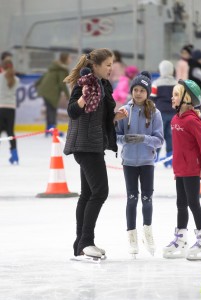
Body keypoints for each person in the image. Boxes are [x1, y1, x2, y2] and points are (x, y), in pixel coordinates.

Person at [63, 48, 128, 261]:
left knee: (87, 194)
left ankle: (80, 244)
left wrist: (116, 116)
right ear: (96, 65)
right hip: (85, 145)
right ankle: (86, 242)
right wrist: (82, 99)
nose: (111, 68)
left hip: (94, 144)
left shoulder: (103, 85)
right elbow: (72, 111)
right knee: (100, 192)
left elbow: (101, 117)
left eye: (112, 64)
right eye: (108, 64)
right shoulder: (85, 83)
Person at [163, 79, 201, 260]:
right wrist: (176, 168)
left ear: (187, 99)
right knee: (181, 205)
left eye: (176, 94)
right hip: (180, 169)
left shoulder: (192, 121)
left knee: (194, 204)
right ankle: (181, 239)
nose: (172, 97)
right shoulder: (176, 119)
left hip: (192, 169)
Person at [115, 71, 164, 258]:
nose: (137, 93)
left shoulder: (154, 113)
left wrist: (144, 139)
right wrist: (125, 139)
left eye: (141, 90)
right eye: (135, 89)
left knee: (147, 198)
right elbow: (115, 136)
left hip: (147, 162)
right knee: (132, 198)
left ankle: (148, 232)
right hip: (129, 162)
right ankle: (132, 236)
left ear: (147, 92)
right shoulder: (124, 111)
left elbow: (159, 140)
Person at [35, 52, 71, 136]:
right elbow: (62, 84)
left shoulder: (54, 67)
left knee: (49, 109)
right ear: (65, 59)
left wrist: (38, 85)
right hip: (51, 91)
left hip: (45, 90)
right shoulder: (62, 69)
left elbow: (43, 77)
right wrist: (68, 96)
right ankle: (52, 130)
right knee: (52, 110)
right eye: (69, 58)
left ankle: (48, 130)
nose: (70, 59)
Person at [150, 60, 177, 167]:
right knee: (170, 136)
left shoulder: (156, 83)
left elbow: (151, 99)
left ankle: (154, 158)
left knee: (158, 135)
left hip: (159, 113)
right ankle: (169, 159)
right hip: (173, 113)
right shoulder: (177, 83)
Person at [0, 59, 20, 164]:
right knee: (10, 132)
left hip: (1, 108)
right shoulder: (16, 79)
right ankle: (15, 155)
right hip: (11, 109)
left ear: (2, 67)